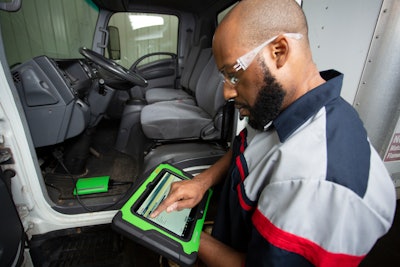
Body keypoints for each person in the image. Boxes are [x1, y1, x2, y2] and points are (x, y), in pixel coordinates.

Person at [151, 0, 397, 266]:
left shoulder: (317, 183)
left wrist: (185, 233)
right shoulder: (278, 107)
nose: (226, 92)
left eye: (233, 75)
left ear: (279, 51)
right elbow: (244, 148)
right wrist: (202, 181)